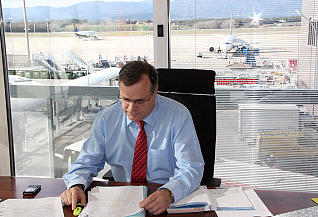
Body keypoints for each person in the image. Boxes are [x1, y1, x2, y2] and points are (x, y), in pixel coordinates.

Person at [60, 60, 204, 215]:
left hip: (164, 198)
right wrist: (76, 185)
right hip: (121, 199)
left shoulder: (178, 116)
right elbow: (86, 162)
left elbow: (191, 168)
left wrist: (169, 192)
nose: (131, 109)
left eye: (139, 101)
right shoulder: (107, 118)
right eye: (125, 99)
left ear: (154, 92)